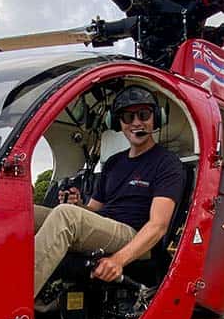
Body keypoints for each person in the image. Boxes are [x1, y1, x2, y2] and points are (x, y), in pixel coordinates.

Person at [34, 86, 184, 298]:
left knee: (65, 215)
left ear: (156, 118)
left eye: (143, 115)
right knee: (25, 213)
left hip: (132, 232)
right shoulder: (114, 163)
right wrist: (77, 205)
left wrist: (118, 260)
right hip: (105, 228)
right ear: (117, 123)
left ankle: (10, 308)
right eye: (127, 117)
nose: (136, 123)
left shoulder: (167, 163)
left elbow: (158, 226)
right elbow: (94, 210)